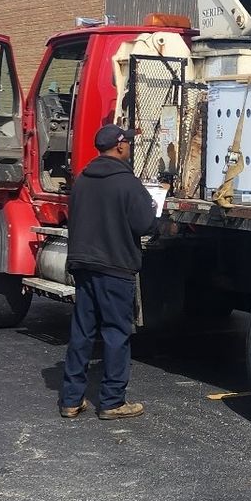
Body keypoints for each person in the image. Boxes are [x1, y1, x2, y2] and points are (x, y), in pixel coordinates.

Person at [59, 123, 159, 420]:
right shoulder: (127, 183)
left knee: (82, 333)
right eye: (127, 143)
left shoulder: (82, 180)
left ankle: (71, 400)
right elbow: (145, 225)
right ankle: (113, 401)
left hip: (84, 266)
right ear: (119, 147)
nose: (129, 147)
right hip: (116, 268)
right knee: (115, 334)